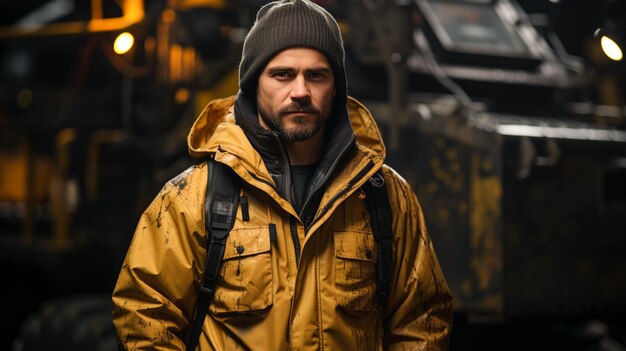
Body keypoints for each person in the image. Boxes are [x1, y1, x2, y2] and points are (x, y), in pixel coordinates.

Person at [112, 0, 453, 349]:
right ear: (253, 83)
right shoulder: (193, 197)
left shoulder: (385, 197)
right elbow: (145, 314)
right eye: (283, 74)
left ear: (335, 86)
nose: (301, 91)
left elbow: (421, 320)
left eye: (316, 75)